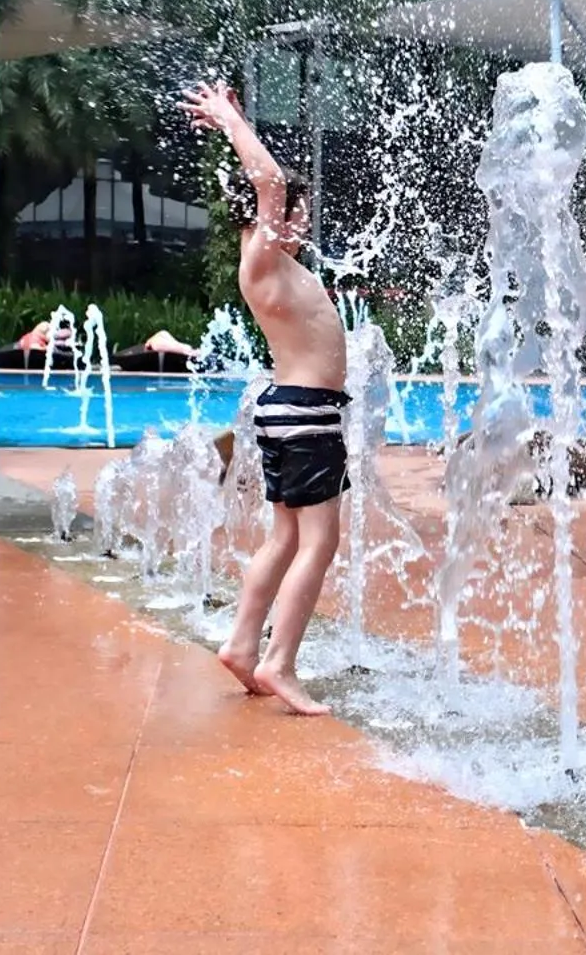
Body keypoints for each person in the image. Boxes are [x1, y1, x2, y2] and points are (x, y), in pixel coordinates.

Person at [181, 81, 351, 717]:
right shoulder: (265, 254)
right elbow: (272, 181)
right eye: (297, 213)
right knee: (319, 542)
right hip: (306, 411)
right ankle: (280, 662)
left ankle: (243, 645)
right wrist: (230, 118)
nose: (303, 224)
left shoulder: (274, 264)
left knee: (285, 537)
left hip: (293, 407)